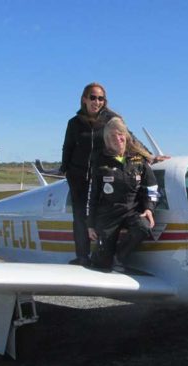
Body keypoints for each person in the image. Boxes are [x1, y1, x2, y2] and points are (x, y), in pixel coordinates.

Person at [59, 82, 158, 266]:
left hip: (102, 170)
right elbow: (68, 146)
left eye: (100, 98)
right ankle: (82, 256)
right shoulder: (74, 123)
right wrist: (64, 168)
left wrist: (150, 157)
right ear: (84, 99)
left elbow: (129, 138)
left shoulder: (111, 119)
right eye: (93, 98)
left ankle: (107, 251)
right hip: (79, 174)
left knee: (101, 211)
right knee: (80, 215)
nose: (97, 102)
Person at [86, 117, 158, 272]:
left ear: (125, 135)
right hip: (108, 215)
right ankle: (102, 256)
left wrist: (149, 209)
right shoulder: (100, 162)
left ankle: (120, 257)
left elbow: (151, 187)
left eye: (120, 134)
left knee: (144, 227)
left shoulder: (139, 161)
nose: (117, 139)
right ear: (107, 140)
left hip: (131, 211)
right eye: (112, 136)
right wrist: (90, 224)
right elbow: (93, 195)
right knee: (102, 264)